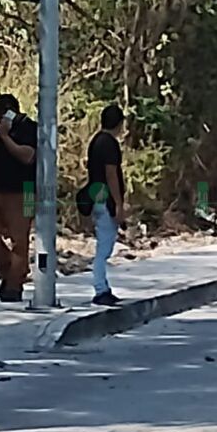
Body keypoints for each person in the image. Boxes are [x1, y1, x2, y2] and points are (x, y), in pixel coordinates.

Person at [0, 93, 38, 302]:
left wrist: (6, 137)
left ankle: (14, 286)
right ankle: (10, 272)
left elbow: (28, 155)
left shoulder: (29, 128)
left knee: (20, 241)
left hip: (25, 191)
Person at [86, 104, 128, 306]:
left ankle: (103, 286)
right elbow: (111, 174)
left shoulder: (95, 142)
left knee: (104, 244)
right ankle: (100, 289)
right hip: (105, 199)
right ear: (119, 123)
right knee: (104, 247)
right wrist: (119, 204)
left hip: (96, 195)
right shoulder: (110, 144)